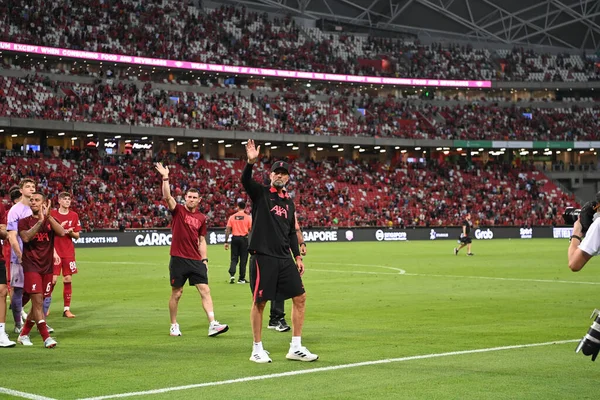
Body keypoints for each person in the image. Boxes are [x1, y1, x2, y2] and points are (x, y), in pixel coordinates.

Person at [242, 140, 318, 363]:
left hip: (285, 257)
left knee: (300, 297)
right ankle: (257, 348)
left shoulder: (289, 203)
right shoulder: (261, 193)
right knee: (260, 302)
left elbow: (291, 232)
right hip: (263, 256)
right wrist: (250, 163)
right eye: (277, 172)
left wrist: (298, 256)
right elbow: (245, 181)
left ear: (288, 178)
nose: (280, 176)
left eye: (284, 174)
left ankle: (296, 347)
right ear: (271, 174)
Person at [154, 162, 229, 338]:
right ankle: (173, 324)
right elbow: (167, 197)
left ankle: (212, 323)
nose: (191, 199)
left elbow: (202, 240)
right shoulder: (178, 211)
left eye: (195, 197)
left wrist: (205, 260)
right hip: (178, 258)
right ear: (185, 198)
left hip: (195, 260)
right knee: (177, 293)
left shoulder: (202, 218)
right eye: (189, 197)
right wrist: (165, 177)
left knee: (205, 290)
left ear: (199, 200)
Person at [16, 192, 65, 348]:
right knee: (37, 302)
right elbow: (26, 237)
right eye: (31, 200)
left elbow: (62, 232)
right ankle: (46, 337)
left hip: (47, 267)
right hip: (31, 266)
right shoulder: (24, 221)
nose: (33, 202)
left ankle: (23, 334)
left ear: (45, 203)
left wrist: (48, 217)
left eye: (37, 200)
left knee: (39, 302)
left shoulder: (50, 221)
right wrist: (40, 222)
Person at [268, 215, 307, 333]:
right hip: (271, 251)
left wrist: (302, 244)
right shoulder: (270, 206)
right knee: (281, 284)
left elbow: (295, 229)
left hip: (285, 252)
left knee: (281, 285)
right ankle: (277, 318)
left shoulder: (288, 207)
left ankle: (275, 318)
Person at [7, 179, 35, 333]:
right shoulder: (15, 210)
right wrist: (20, 255)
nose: (31, 189)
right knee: (18, 290)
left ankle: (38, 321)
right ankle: (18, 324)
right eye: (28, 186)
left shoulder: (36, 208)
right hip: (19, 257)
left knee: (39, 291)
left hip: (37, 256)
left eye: (33, 187)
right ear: (21, 190)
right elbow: (12, 237)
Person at [49, 192, 82, 318]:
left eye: (69, 199)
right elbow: (48, 232)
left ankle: (66, 309)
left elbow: (77, 236)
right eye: (65, 199)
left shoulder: (74, 215)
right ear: (59, 201)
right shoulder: (52, 214)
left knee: (68, 279)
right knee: (52, 280)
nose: (68, 201)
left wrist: (71, 232)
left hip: (68, 252)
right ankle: (46, 306)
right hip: (55, 252)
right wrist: (60, 229)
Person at [0, 200, 16, 347]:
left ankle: (1, 333)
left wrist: (2, 230)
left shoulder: (0, 206)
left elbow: (5, 234)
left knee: (2, 291)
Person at [224, 201, 252, 284]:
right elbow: (250, 231)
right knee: (243, 259)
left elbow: (228, 230)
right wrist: (250, 242)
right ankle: (241, 278)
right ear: (245, 207)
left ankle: (232, 275)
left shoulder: (232, 217)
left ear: (238, 207)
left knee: (234, 258)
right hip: (244, 239)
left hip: (235, 238)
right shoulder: (248, 217)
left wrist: (226, 241)